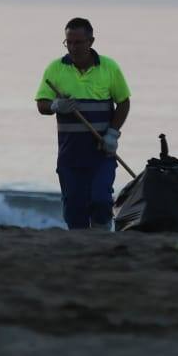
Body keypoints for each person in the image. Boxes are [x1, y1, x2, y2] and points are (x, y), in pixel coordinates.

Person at [35, 18, 131, 229]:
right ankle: (80, 246)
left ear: (91, 41)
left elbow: (123, 102)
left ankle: (102, 240)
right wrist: (55, 106)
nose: (73, 47)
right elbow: (41, 104)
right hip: (70, 155)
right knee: (74, 209)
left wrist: (113, 134)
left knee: (100, 200)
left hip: (101, 152)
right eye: (68, 42)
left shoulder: (109, 67)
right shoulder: (55, 69)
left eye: (78, 42)